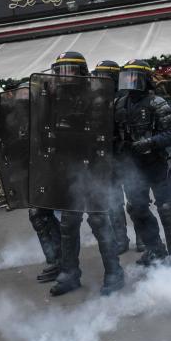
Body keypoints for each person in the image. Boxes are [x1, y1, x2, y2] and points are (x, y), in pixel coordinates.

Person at [47, 50, 124, 297]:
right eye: (60, 71)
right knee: (68, 225)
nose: (64, 76)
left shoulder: (97, 97)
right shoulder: (54, 100)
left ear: (81, 72)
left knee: (100, 222)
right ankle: (70, 274)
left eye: (69, 70)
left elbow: (103, 135)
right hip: (68, 171)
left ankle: (114, 272)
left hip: (93, 170)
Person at [114, 59, 171, 265]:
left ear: (145, 79)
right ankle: (155, 249)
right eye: (127, 77)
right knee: (137, 209)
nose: (130, 81)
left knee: (166, 209)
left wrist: (150, 142)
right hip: (132, 168)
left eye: (135, 77)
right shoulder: (119, 104)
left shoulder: (157, 103)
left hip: (155, 164)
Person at [93, 59, 137, 254]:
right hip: (106, 158)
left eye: (102, 75)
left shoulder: (126, 97)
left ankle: (143, 238)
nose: (98, 80)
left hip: (125, 155)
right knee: (113, 202)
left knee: (135, 200)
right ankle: (121, 239)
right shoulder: (95, 99)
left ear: (111, 76)